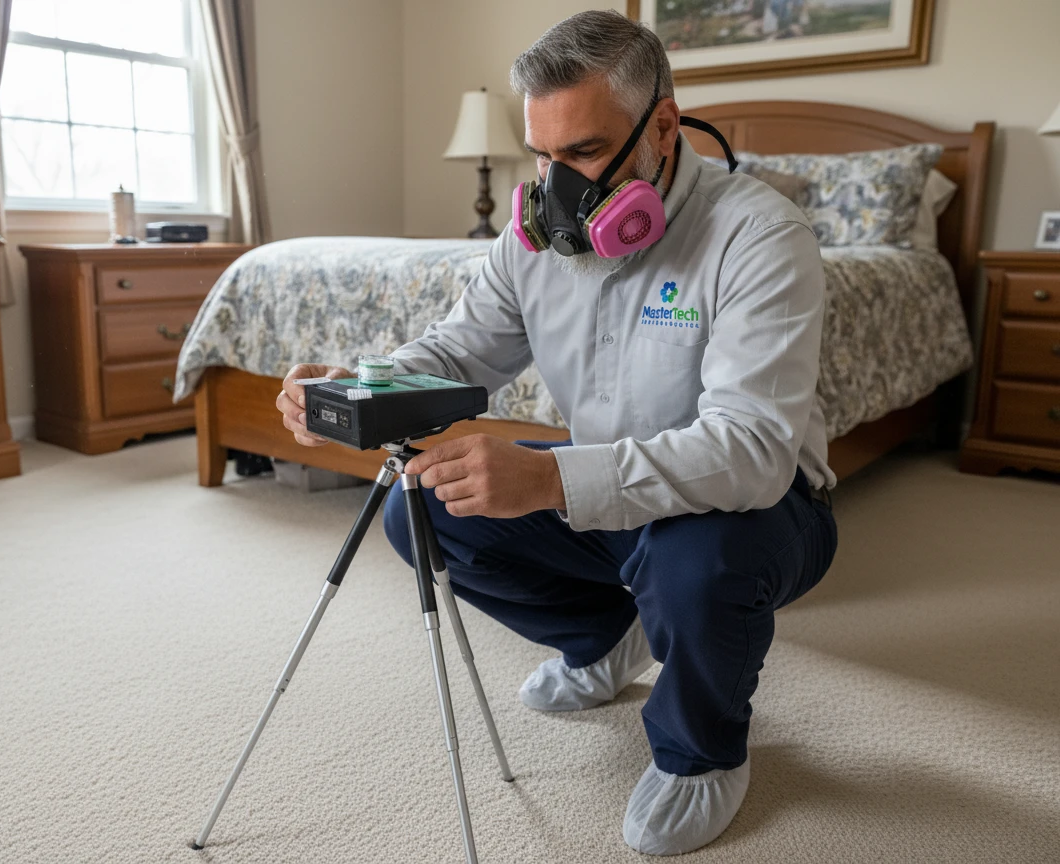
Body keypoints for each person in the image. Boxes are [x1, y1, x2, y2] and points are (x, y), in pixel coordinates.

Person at [275, 9, 837, 856]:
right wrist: (360, 384)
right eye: (542, 154)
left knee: (698, 562)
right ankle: (606, 638)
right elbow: (459, 354)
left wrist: (549, 482)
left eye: (580, 154)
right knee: (419, 510)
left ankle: (700, 754)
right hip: (607, 491)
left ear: (664, 127)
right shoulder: (532, 237)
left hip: (759, 508)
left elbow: (753, 454)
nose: (555, 184)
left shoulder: (758, 236)